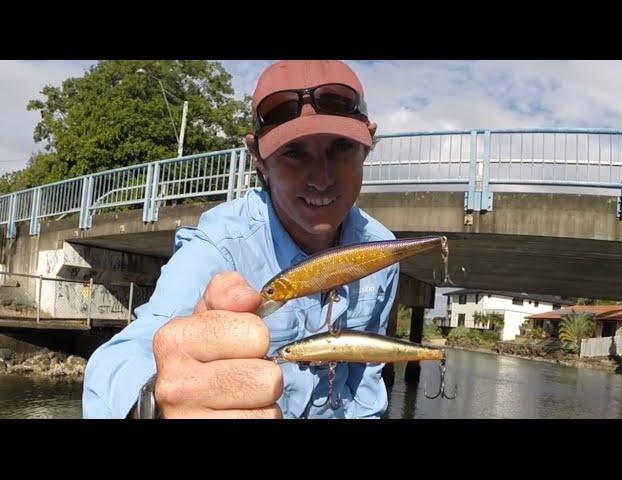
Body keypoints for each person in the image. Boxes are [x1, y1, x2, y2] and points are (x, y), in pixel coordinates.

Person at [82, 60, 399, 419]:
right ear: (259, 159)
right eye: (293, 153)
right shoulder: (221, 243)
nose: (321, 178)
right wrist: (151, 404)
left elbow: (365, 388)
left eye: (340, 147)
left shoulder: (381, 250)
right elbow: (127, 352)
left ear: (368, 144)